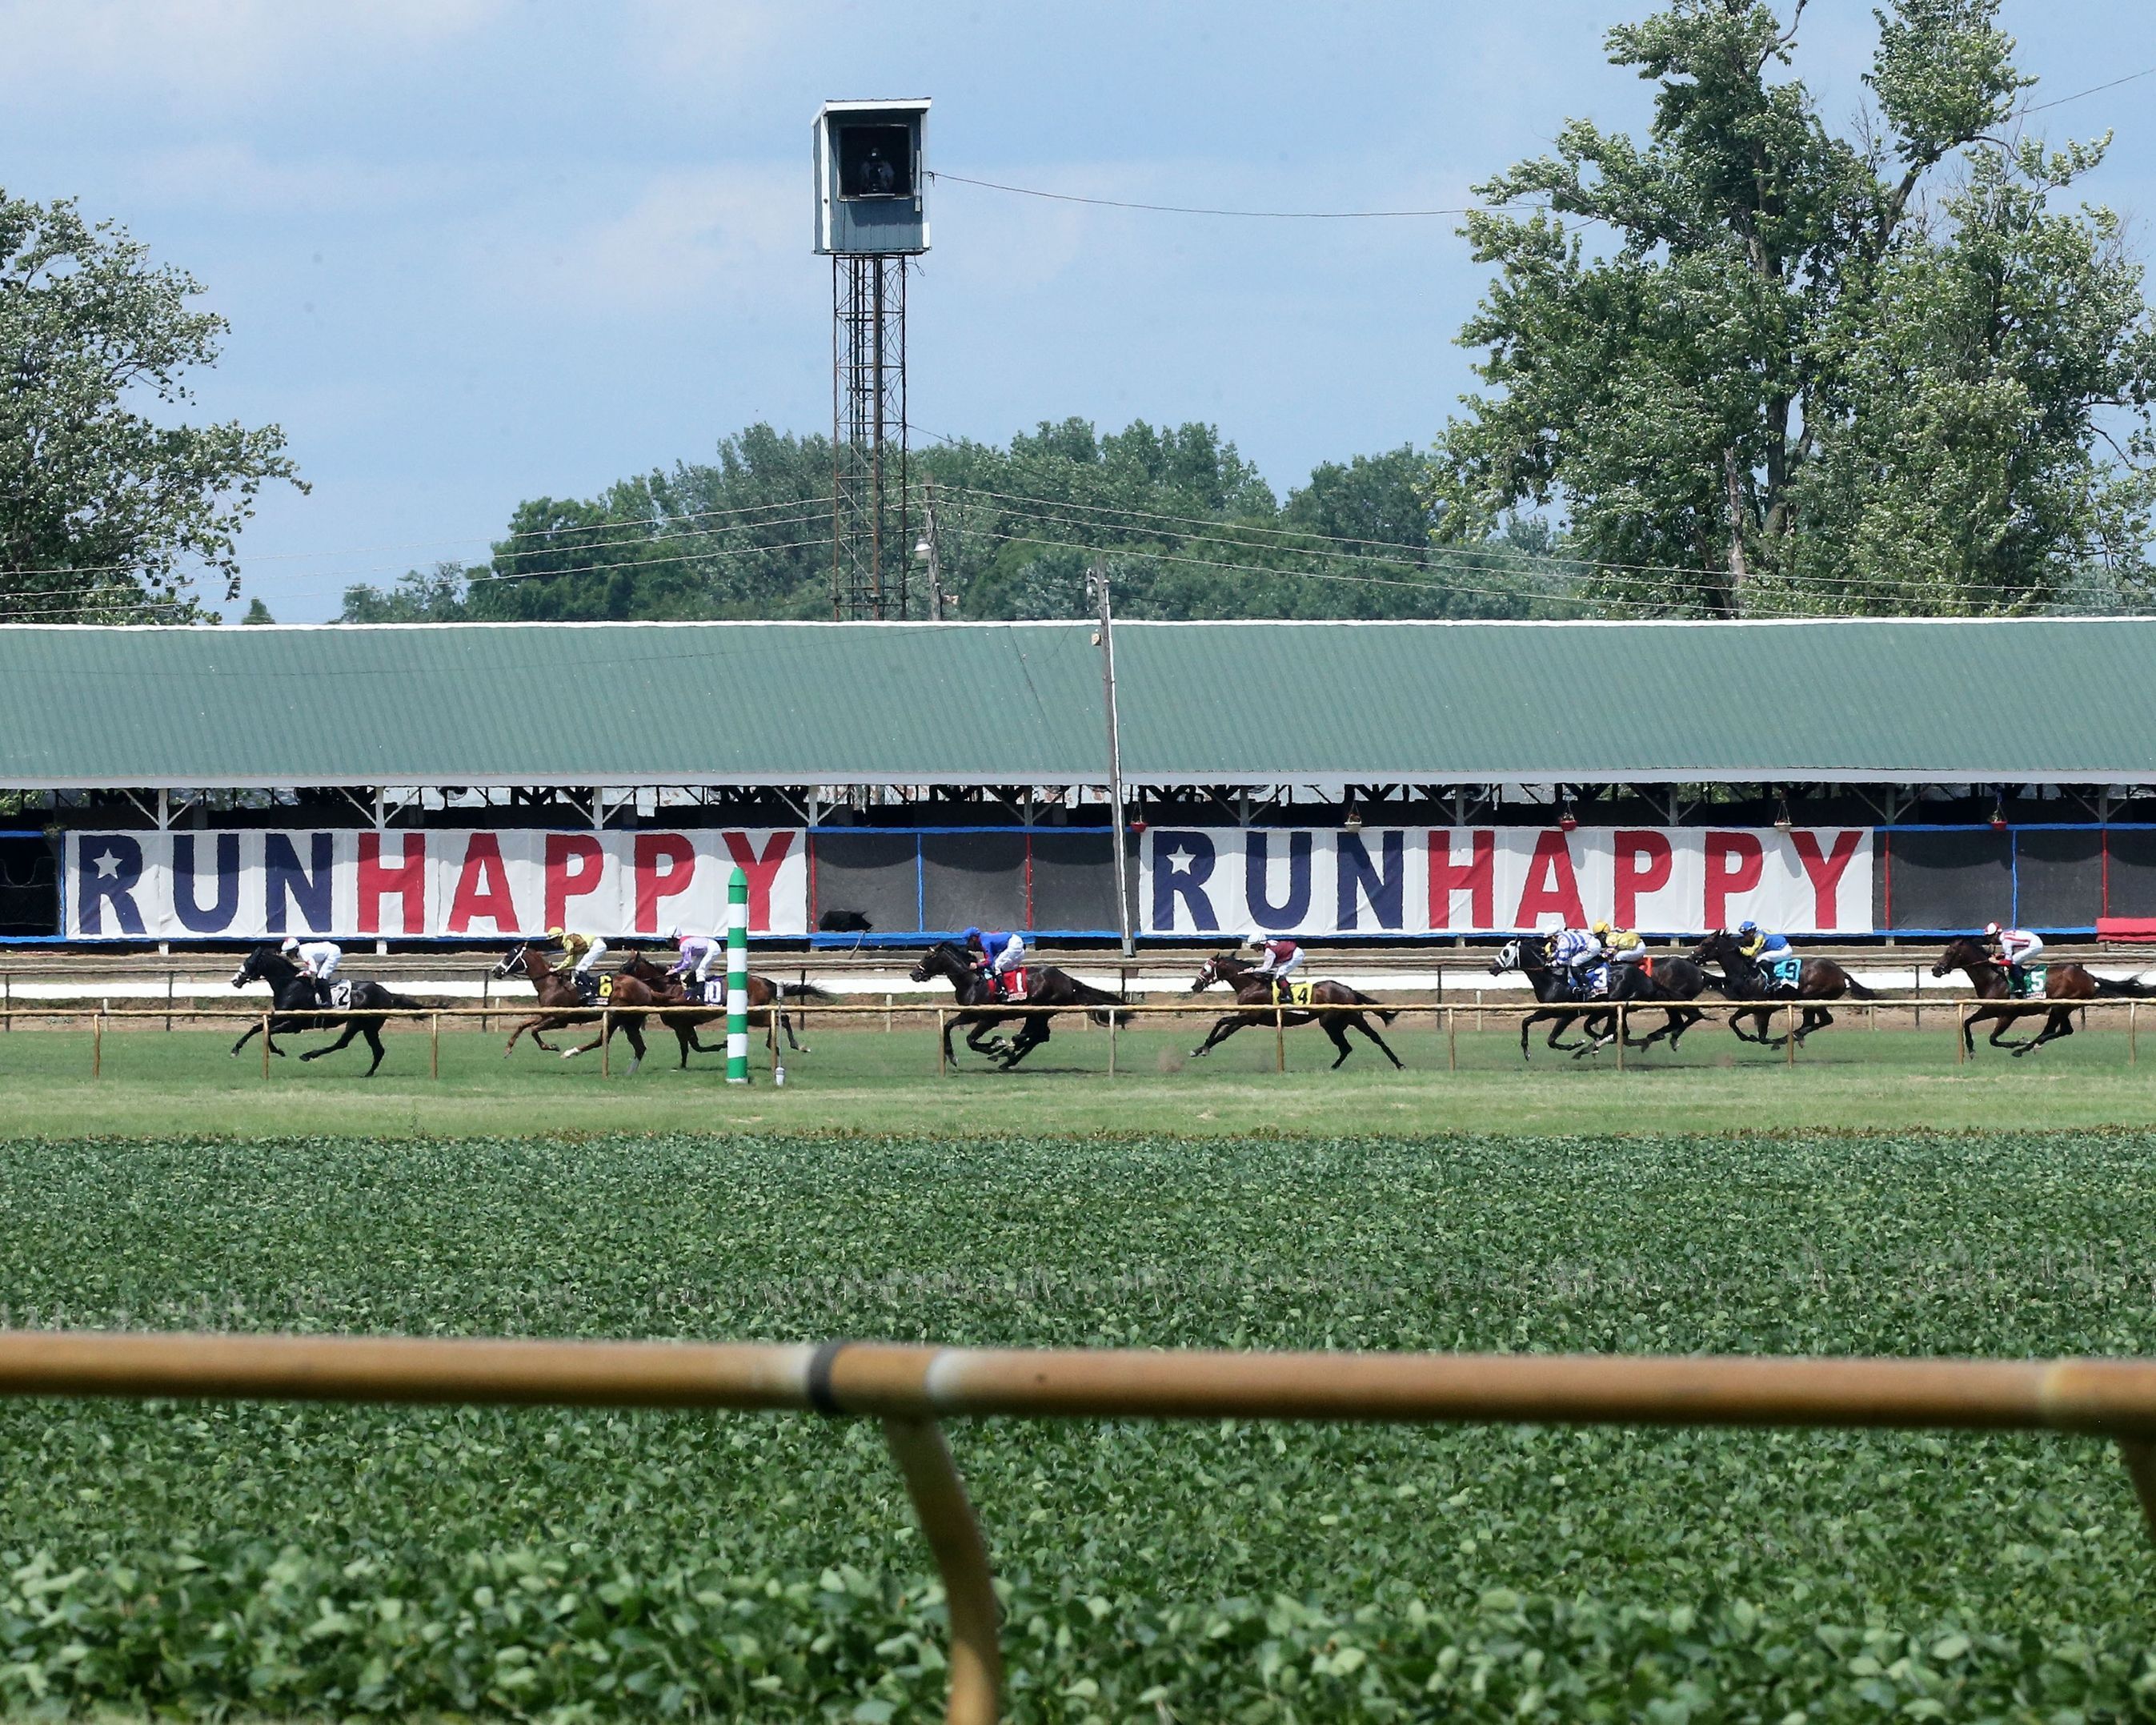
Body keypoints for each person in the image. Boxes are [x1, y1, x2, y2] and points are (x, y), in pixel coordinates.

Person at [547, 927, 608, 1004]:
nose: (552, 943)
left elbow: (569, 961)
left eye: (553, 940)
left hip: (597, 946)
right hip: (597, 945)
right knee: (579, 970)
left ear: (559, 937)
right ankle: (591, 988)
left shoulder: (568, 942)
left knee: (580, 969)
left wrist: (557, 968)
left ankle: (589, 992)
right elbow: (572, 962)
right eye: (551, 941)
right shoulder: (567, 941)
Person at [1736, 920, 1799, 993]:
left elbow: (1751, 953)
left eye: (1745, 934)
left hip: (1784, 951)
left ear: (1751, 932)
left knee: (1759, 958)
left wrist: (1739, 949)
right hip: (1780, 948)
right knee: (1761, 956)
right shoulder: (1761, 932)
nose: (1744, 936)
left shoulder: (1759, 938)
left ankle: (1774, 980)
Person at [281, 934, 343, 1007]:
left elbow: (313, 970)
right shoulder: (302, 951)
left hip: (333, 953)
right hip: (327, 954)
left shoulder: (304, 953)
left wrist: (302, 973)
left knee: (321, 977)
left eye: (289, 954)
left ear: (294, 950)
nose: (288, 956)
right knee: (318, 978)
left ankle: (328, 1002)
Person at [1985, 921, 2044, 994]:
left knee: (2013, 961)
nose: (1989, 940)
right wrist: (2001, 955)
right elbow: (2012, 951)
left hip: (2035, 945)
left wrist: (1995, 961)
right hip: (2031, 942)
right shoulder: (2004, 936)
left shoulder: (2005, 941)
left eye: (1990, 937)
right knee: (2014, 959)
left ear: (1996, 935)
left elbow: (2008, 962)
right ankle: (2021, 979)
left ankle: (2020, 987)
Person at [962, 926, 1027, 994]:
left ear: (974, 938)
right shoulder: (983, 939)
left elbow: (989, 961)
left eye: (969, 941)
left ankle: (1003, 990)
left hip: (1014, 944)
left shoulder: (985, 943)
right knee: (995, 964)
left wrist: (977, 965)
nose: (968, 944)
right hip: (1011, 942)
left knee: (997, 965)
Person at [666, 928, 723, 1003]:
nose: (669, 944)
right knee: (694, 969)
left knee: (700, 970)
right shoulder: (683, 943)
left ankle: (700, 994)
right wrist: (675, 966)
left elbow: (687, 963)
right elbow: (685, 960)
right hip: (706, 950)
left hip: (712, 949)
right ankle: (694, 988)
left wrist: (675, 970)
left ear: (675, 939)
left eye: (670, 941)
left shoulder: (683, 946)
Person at [1246, 932, 1304, 1001]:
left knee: (1279, 974)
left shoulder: (1269, 951)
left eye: (1253, 946)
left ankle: (1288, 996)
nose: (1253, 948)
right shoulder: (1269, 944)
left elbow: (1265, 969)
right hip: (1294, 952)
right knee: (1276, 974)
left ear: (1259, 944)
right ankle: (1284, 991)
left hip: (1295, 955)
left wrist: (1253, 970)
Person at [1549, 925, 1606, 997]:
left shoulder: (1564, 942)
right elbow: (1559, 952)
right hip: (1589, 944)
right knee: (1572, 961)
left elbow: (1562, 960)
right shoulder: (1562, 937)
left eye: (1549, 938)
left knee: (1573, 963)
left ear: (1554, 936)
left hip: (1592, 947)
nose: (1548, 940)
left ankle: (1587, 985)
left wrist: (1551, 964)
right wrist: (1552, 957)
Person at [1597, 920, 1649, 984]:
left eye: (1599, 936)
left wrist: (1600, 955)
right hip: (1638, 945)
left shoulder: (1610, 938)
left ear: (1603, 934)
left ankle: (1628, 973)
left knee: (1616, 957)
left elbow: (1610, 952)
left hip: (1637, 948)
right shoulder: (1613, 933)